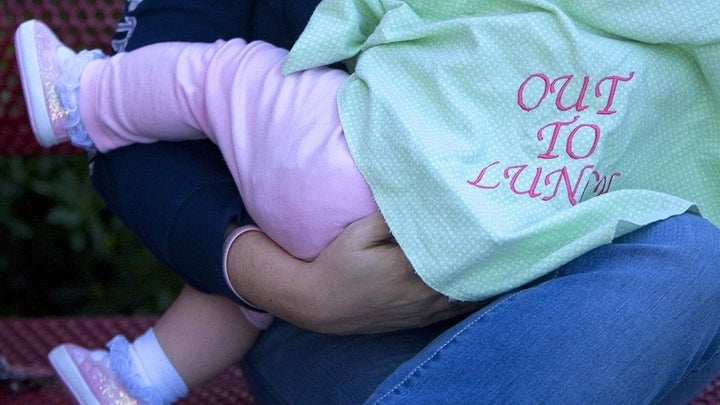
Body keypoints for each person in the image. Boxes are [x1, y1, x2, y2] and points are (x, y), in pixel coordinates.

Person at [18, 1, 720, 404]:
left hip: (553, 288)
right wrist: (291, 287)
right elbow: (136, 143)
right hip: (323, 316)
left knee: (699, 257)